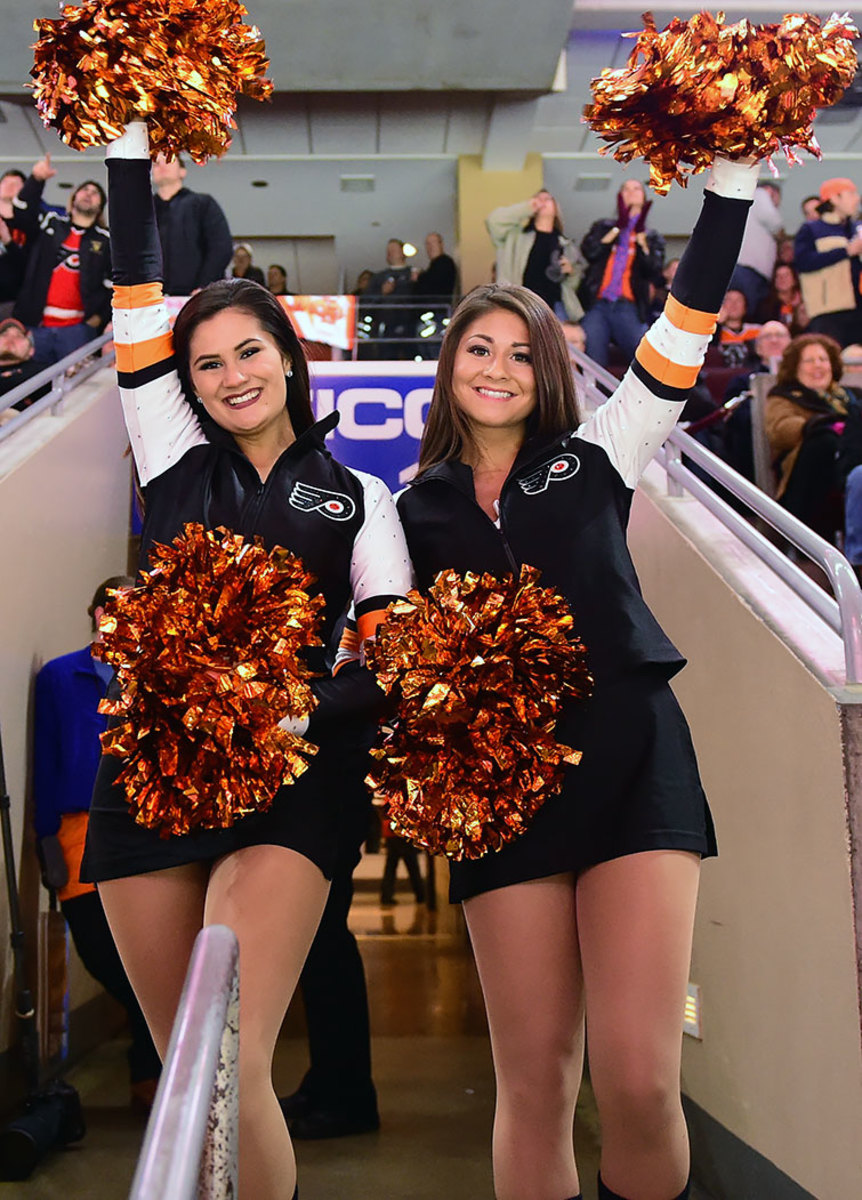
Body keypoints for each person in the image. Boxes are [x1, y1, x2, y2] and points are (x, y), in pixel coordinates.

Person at [394, 155, 760, 1200]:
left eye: (521, 349)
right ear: (449, 364)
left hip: (633, 763)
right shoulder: (405, 510)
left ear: (548, 367)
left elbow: (686, 322)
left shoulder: (599, 451)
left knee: (641, 1082)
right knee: (536, 1081)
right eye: (478, 347)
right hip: (499, 798)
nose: (499, 366)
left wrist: (726, 185)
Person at [80, 121, 411, 1200]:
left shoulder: (359, 496)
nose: (229, 376)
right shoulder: (169, 452)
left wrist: (301, 713)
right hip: (153, 778)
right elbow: (134, 282)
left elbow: (397, 660)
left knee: (230, 1058)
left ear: (289, 355)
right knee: (186, 1069)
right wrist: (125, 134)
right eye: (206, 362)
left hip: (290, 785)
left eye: (248, 352)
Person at [33, 577, 162, 1113]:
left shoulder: (159, 674)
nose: (117, 617)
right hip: (78, 832)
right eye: (108, 609)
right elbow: (44, 754)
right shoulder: (61, 676)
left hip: (145, 828)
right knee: (102, 953)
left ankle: (150, 1077)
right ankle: (152, 1058)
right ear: (92, 613)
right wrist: (44, 838)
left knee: (149, 956)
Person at [8, 155, 112, 363]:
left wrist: (99, 319)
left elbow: (115, 285)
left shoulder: (107, 240)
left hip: (77, 331)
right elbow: (19, 215)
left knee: (77, 392)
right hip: (35, 326)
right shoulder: (51, 223)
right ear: (73, 197)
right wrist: (36, 179)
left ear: (101, 206)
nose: (88, 194)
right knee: (33, 388)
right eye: (84, 190)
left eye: (95, 193)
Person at [764, 332, 857, 544]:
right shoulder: (783, 396)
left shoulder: (852, 396)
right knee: (824, 441)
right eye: (809, 360)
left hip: (852, 464)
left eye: (823, 359)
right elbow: (779, 431)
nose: (818, 366)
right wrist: (816, 425)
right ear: (795, 367)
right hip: (807, 471)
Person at [577, 178, 665, 367]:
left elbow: (653, 269)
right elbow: (590, 252)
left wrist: (641, 238)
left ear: (644, 196)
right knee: (593, 363)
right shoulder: (603, 227)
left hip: (628, 307)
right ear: (619, 197)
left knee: (646, 361)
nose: (631, 192)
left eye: (636, 189)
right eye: (625, 189)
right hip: (597, 305)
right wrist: (619, 227)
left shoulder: (652, 237)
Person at [486, 189, 581, 321]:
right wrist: (527, 207)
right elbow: (493, 221)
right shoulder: (514, 237)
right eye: (538, 198)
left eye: (547, 199)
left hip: (555, 308)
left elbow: (572, 286)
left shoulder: (566, 245)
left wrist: (572, 272)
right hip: (520, 305)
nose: (542, 202)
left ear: (556, 208)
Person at [794, 177, 862, 348]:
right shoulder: (811, 229)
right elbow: (803, 262)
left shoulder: (856, 228)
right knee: (832, 360)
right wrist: (846, 251)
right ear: (834, 198)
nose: (857, 198)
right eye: (851, 193)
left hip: (858, 309)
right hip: (828, 311)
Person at [152, 152, 233, 295]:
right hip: (151, 297)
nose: (162, 166)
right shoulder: (143, 209)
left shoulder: (202, 203)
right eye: (156, 163)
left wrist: (205, 286)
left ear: (182, 171)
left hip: (196, 295)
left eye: (168, 160)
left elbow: (221, 247)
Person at [728, 180, 783, 318]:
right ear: (771, 192)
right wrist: (782, 236)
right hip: (748, 271)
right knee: (746, 311)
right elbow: (774, 222)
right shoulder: (760, 194)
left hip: (750, 272)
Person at [756, 263, 809, 334]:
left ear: (794, 280)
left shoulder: (804, 302)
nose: (782, 279)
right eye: (778, 276)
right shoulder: (765, 306)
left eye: (786, 276)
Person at [412, 232, 457, 302]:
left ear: (441, 244)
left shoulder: (445, 263)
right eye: (428, 244)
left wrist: (418, 278)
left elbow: (432, 286)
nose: (430, 247)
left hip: (438, 308)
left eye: (433, 242)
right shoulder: (436, 265)